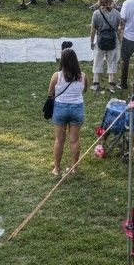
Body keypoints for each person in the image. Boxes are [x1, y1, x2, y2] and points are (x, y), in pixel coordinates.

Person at [48, 47, 87, 178]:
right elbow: (84, 90)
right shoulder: (83, 76)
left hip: (60, 108)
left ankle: (56, 169)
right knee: (74, 140)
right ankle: (74, 168)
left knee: (59, 140)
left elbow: (51, 92)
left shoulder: (56, 76)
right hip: (77, 108)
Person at [89, 0, 121, 93]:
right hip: (112, 39)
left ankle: (96, 83)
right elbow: (117, 28)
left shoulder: (96, 13)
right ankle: (112, 84)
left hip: (100, 40)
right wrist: (119, 40)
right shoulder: (116, 13)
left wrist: (91, 41)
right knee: (112, 61)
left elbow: (93, 29)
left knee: (98, 60)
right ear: (111, 0)